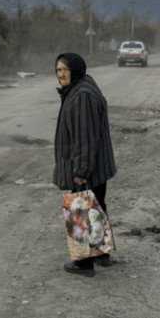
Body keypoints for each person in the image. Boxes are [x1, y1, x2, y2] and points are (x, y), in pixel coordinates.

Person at [53, 52, 117, 277]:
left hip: (89, 165)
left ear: (75, 70)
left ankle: (83, 263)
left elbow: (84, 137)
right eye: (58, 70)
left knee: (79, 208)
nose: (61, 74)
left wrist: (80, 171)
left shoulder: (82, 96)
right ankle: (100, 253)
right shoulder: (83, 85)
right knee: (95, 207)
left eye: (65, 70)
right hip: (97, 164)